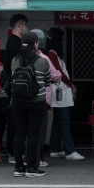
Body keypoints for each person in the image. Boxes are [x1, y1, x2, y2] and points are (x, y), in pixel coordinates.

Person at [11, 31, 52, 177]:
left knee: (19, 133)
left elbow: (12, 80)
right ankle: (32, 167)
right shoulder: (42, 61)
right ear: (35, 44)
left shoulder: (15, 60)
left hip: (18, 102)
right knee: (33, 134)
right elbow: (48, 81)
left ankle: (18, 167)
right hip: (37, 102)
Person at [46, 27, 84, 161]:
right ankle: (70, 150)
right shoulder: (52, 54)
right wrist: (71, 84)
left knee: (57, 121)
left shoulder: (53, 54)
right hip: (59, 91)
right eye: (61, 39)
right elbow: (59, 73)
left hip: (59, 91)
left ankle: (55, 149)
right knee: (64, 120)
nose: (63, 41)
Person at [0, 13, 28, 159]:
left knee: (13, 122)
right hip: (15, 87)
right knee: (15, 123)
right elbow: (15, 67)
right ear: (20, 25)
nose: (26, 28)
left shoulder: (11, 41)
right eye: (25, 25)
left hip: (11, 87)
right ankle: (14, 154)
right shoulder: (16, 43)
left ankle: (13, 153)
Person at [30, 29, 62, 168]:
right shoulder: (44, 58)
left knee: (27, 130)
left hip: (23, 99)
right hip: (41, 98)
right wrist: (60, 72)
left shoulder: (19, 58)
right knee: (40, 130)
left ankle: (26, 158)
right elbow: (55, 76)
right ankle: (38, 159)